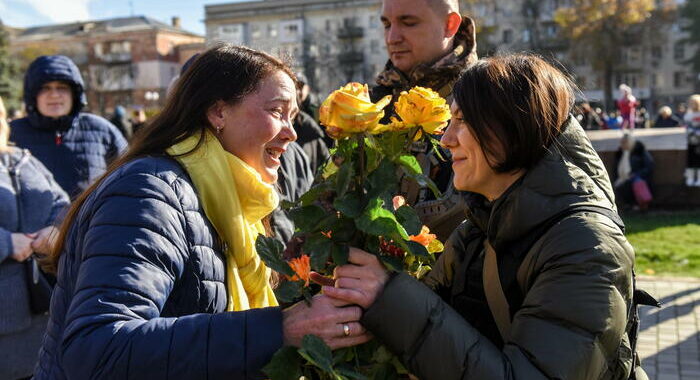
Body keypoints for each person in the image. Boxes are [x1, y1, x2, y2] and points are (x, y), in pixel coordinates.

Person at [33, 45, 370, 380]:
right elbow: (98, 350)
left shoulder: (230, 196)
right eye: (277, 111)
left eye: (293, 116)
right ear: (218, 112)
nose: (292, 133)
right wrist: (281, 328)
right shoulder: (150, 191)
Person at [324, 55, 646, 379]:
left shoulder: (587, 247)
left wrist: (389, 295)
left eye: (462, 120)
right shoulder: (481, 225)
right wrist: (358, 297)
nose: (446, 139)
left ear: (512, 126)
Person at [370, 0, 478, 241]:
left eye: (408, 23)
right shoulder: (372, 105)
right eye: (387, 25)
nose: (392, 38)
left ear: (450, 25)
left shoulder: (494, 99)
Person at [0, 96, 70, 379]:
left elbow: (61, 202)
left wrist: (56, 230)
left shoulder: (20, 159)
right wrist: (6, 243)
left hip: (41, 313)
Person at [10, 55, 127, 199]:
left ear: (74, 94)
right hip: (31, 221)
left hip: (92, 220)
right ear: (33, 95)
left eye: (62, 87)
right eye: (45, 88)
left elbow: (129, 179)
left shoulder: (103, 131)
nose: (54, 95)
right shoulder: (10, 134)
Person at [613, 133, 654, 210]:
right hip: (622, 178)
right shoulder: (620, 153)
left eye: (625, 143)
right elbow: (615, 168)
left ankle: (638, 205)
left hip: (638, 178)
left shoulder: (640, 151)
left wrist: (636, 174)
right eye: (622, 143)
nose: (623, 145)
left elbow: (649, 166)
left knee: (630, 185)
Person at [684, 94, 700, 187]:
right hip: (691, 141)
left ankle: (699, 178)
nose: (692, 105)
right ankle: (690, 178)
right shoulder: (688, 115)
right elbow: (687, 126)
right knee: (690, 159)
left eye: (694, 103)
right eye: (691, 103)